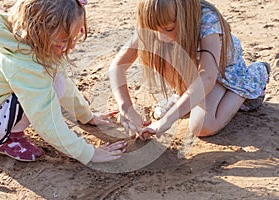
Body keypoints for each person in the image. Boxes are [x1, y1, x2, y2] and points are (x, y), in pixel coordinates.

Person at [0, 0, 126, 163]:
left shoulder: (22, 39)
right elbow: (45, 119)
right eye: (64, 40)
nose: (72, 45)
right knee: (42, 91)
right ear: (40, 31)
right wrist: (88, 153)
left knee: (56, 81)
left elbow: (62, 83)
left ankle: (6, 129)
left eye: (74, 36)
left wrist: (86, 116)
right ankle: (5, 139)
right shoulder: (23, 66)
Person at [109, 0, 270, 140]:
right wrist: (126, 108)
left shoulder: (208, 21)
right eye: (154, 30)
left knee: (202, 126)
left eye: (169, 28)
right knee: (155, 50)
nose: (161, 36)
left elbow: (207, 77)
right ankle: (183, 97)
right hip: (196, 73)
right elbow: (117, 66)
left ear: (186, 13)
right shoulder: (157, 22)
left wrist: (166, 122)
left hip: (222, 73)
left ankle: (252, 80)